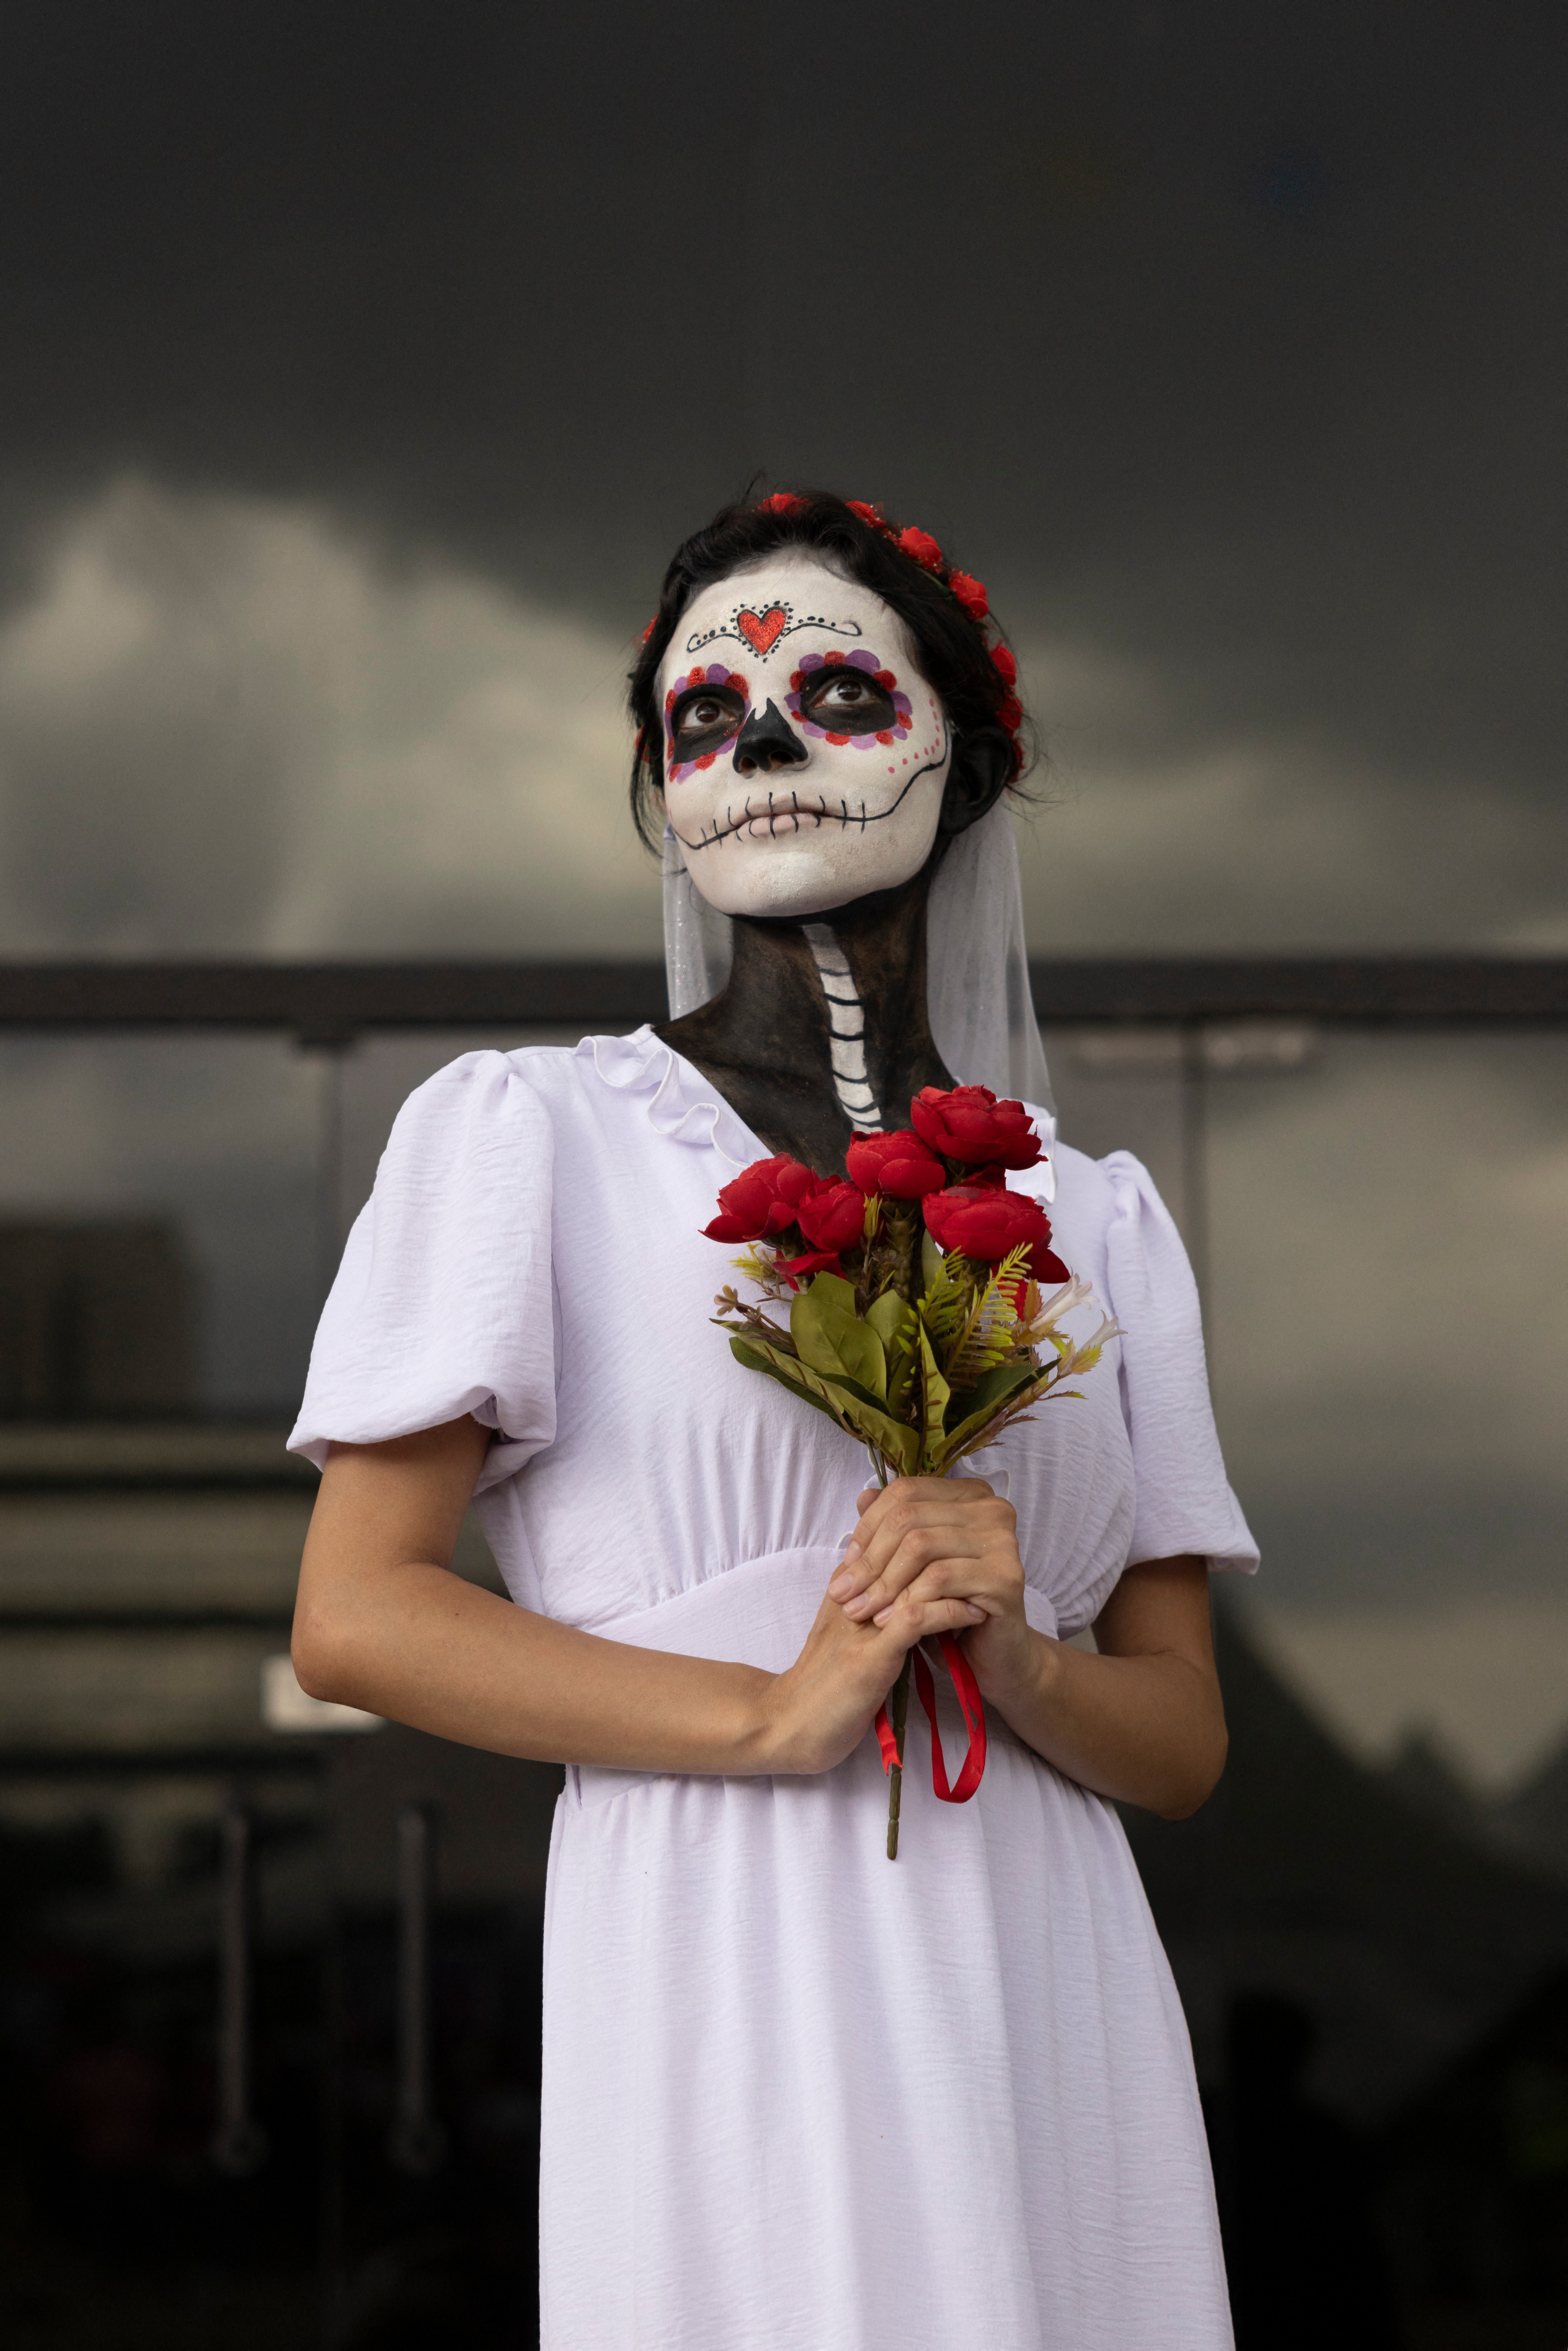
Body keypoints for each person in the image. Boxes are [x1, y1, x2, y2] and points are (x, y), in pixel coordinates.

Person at [290, 490, 1259, 2350]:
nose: (756, 751)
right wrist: (769, 1709)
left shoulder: (1092, 1213)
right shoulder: (529, 1140)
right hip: (722, 1926)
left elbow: (1184, 1741)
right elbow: (356, 1614)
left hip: (1038, 1949)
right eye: (698, 716)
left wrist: (1017, 1655)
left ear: (965, 757)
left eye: (831, 690)